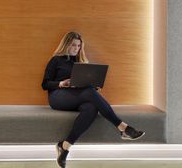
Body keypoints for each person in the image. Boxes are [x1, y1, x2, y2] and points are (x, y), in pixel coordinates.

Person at [42, 31, 145, 168]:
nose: (76, 48)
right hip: (57, 96)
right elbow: (45, 84)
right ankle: (122, 127)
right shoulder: (56, 60)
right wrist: (61, 83)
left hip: (77, 97)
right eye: (73, 45)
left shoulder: (81, 63)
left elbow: (84, 86)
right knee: (89, 93)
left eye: (78, 46)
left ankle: (65, 146)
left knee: (91, 108)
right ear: (66, 45)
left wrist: (93, 86)